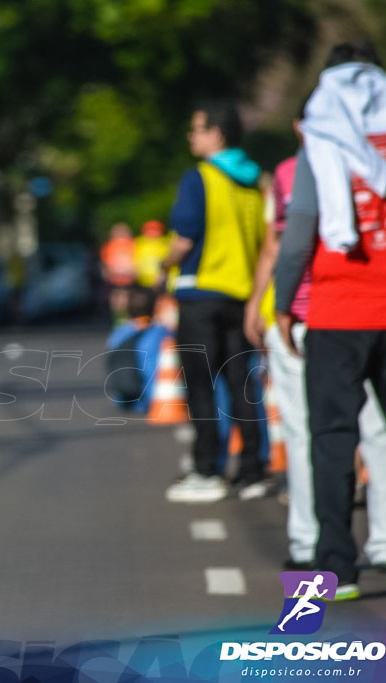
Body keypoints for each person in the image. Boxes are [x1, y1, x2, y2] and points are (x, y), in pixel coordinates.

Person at [246, 97, 386, 576]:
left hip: (320, 315)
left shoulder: (294, 167)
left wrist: (270, 304)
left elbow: (285, 242)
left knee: (315, 436)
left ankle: (318, 549)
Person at [161, 100, 266, 503]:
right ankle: (253, 472)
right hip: (243, 295)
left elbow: (184, 238)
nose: (192, 136)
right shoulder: (254, 180)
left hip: (201, 292)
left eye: (197, 129)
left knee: (201, 385)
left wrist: (161, 264)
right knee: (242, 383)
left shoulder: (200, 177)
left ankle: (207, 471)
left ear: (216, 134)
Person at [104, 283, 172, 414]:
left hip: (123, 396)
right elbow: (152, 372)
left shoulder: (120, 332)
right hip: (149, 399)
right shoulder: (158, 333)